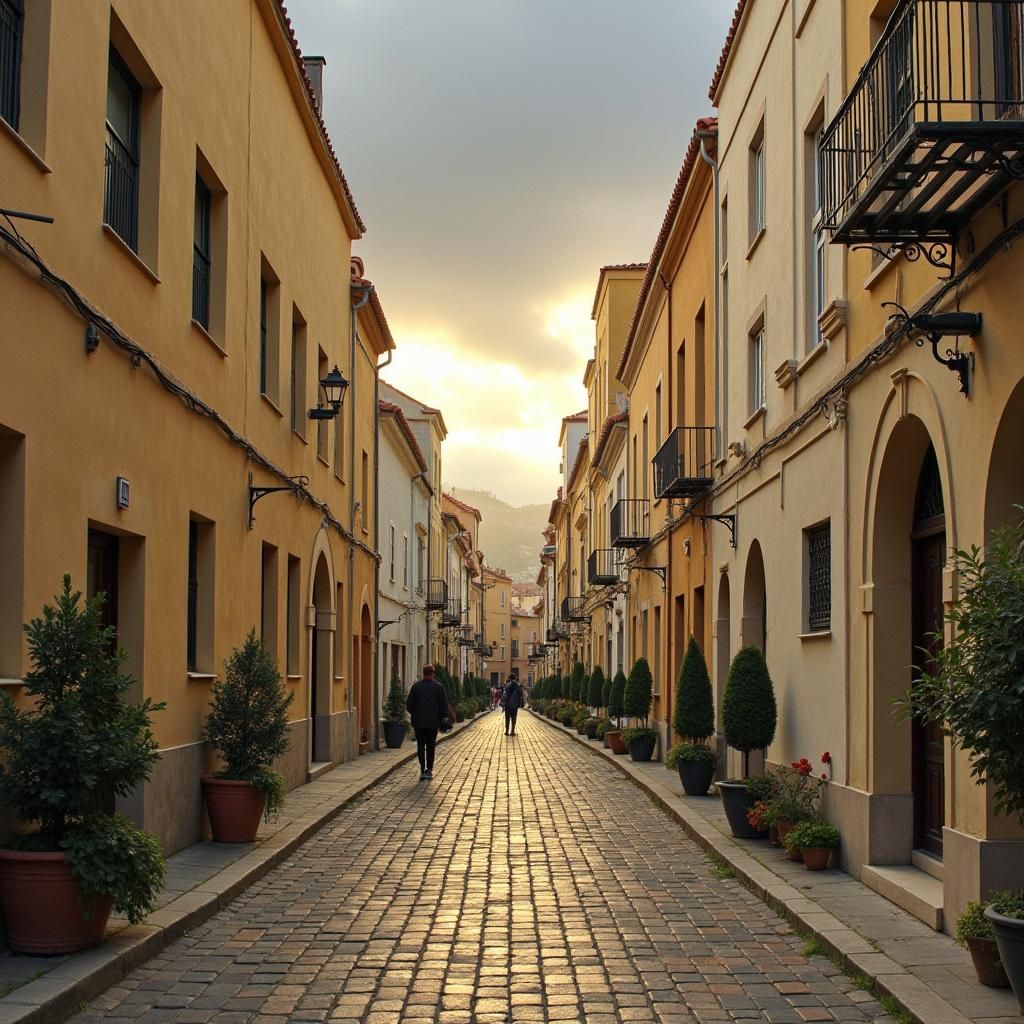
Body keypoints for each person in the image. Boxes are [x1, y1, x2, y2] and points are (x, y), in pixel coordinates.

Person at [406, 664, 449, 781]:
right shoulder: (439, 687)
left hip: (419, 722)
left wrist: (415, 714)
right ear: (433, 673)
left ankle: (422, 768)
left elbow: (409, 705)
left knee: (420, 745)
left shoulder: (416, 687)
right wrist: (442, 717)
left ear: (423, 673)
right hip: (433, 723)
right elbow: (444, 707)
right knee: (431, 746)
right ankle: (429, 770)